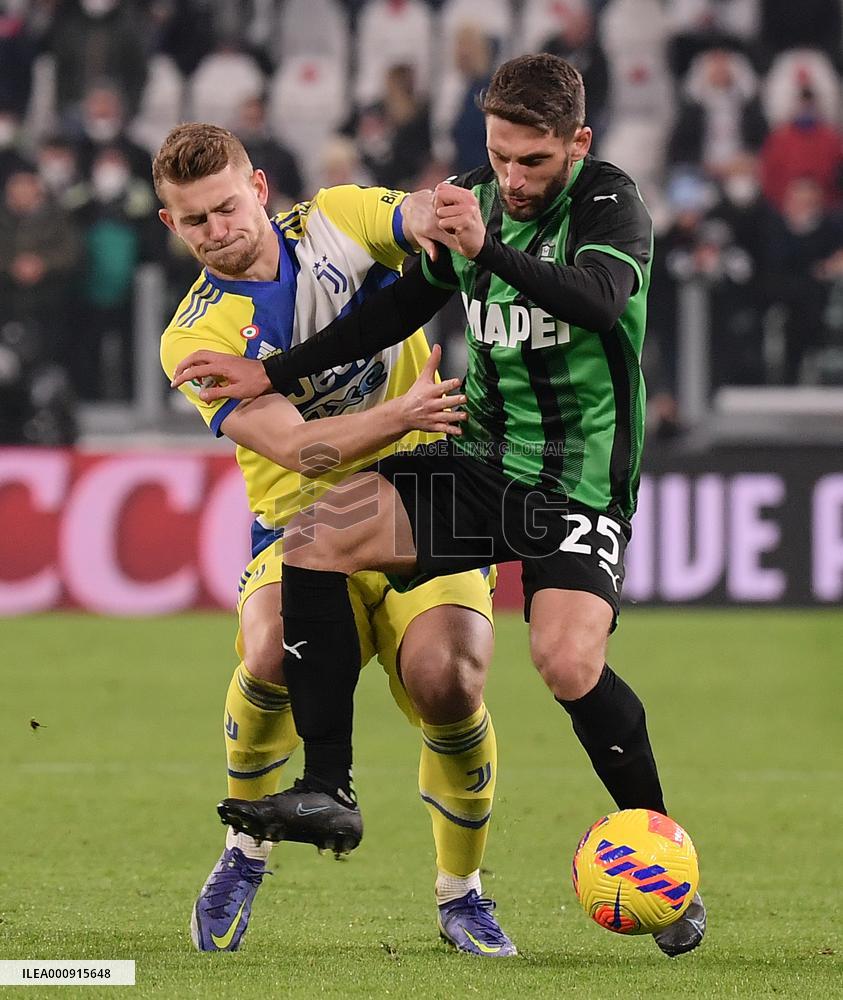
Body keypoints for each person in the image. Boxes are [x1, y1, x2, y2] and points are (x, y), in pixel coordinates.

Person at [174, 55, 707, 957]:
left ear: (576, 145)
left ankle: (660, 852)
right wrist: (273, 372)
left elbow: (598, 301)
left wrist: (484, 250)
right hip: (479, 457)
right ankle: (329, 789)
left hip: (574, 476)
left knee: (566, 663)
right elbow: (394, 310)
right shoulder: (477, 196)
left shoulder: (611, 203)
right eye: (498, 156)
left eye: (532, 161)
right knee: (313, 539)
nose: (512, 178)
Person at [155, 123, 516, 957]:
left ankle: (460, 892)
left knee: (449, 680)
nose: (219, 229)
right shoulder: (194, 338)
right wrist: (403, 411)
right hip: (301, 520)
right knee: (271, 651)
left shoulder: (340, 218)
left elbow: (417, 216)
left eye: (225, 206)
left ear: (258, 188)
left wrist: (438, 216)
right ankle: (246, 845)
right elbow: (297, 448)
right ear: (172, 227)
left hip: (422, 498)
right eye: (196, 220)